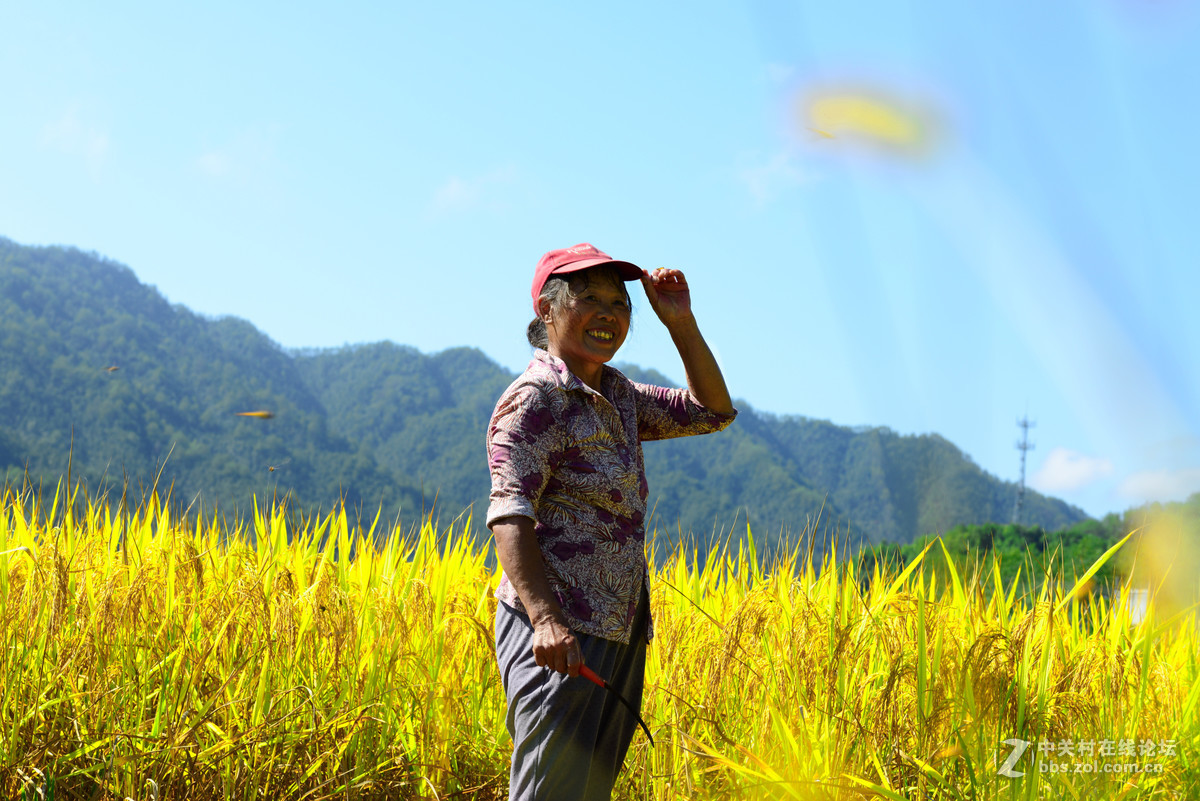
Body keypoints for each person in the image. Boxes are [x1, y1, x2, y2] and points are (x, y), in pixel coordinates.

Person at [486, 243, 737, 800]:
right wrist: (547, 621)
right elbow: (509, 515)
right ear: (546, 312)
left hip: (620, 628)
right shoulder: (534, 401)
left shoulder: (617, 394)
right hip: (557, 634)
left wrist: (681, 323)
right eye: (589, 298)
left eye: (621, 303)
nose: (609, 313)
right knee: (548, 791)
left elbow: (711, 412)